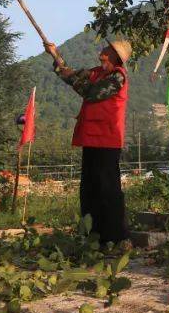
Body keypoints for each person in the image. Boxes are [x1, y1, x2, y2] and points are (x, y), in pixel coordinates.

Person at [45, 38, 132, 246]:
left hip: (108, 138)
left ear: (113, 55)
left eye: (106, 50)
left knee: (107, 188)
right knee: (90, 187)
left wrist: (71, 75)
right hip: (91, 137)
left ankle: (115, 236)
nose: (101, 52)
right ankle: (93, 235)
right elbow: (70, 75)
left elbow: (91, 93)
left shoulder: (117, 77)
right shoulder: (97, 73)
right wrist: (55, 55)